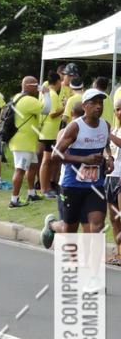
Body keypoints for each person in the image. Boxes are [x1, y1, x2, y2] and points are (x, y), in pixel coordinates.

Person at [40, 89, 112, 248]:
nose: (98, 106)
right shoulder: (75, 127)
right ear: (85, 106)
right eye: (94, 103)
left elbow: (106, 146)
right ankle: (52, 225)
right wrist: (83, 159)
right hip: (72, 185)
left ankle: (92, 267)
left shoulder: (105, 125)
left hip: (95, 185)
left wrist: (109, 158)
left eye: (100, 103)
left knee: (97, 227)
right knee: (69, 230)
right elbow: (55, 155)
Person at [7, 76, 51, 208]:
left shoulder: (17, 97)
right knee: (20, 170)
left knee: (33, 166)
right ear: (27, 85)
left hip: (26, 141)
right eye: (35, 84)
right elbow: (46, 109)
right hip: (23, 143)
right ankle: (14, 200)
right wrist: (46, 93)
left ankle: (31, 193)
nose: (37, 87)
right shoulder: (28, 100)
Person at [38, 71, 64, 198]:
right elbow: (52, 114)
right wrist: (65, 107)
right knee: (46, 160)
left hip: (47, 131)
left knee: (48, 160)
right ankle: (44, 189)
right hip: (48, 131)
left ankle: (46, 186)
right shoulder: (52, 94)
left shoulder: (47, 93)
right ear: (58, 82)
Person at [104, 98, 121, 265]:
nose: (120, 112)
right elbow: (107, 149)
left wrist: (108, 134)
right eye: (118, 109)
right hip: (110, 178)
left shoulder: (112, 132)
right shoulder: (114, 129)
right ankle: (119, 254)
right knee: (114, 218)